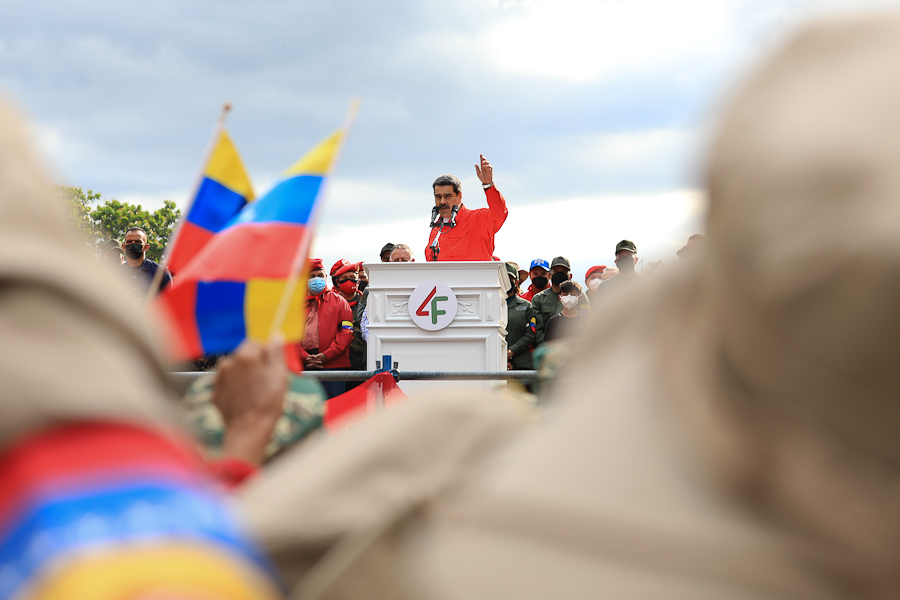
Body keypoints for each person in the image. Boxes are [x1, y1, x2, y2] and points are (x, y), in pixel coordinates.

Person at [239, 15, 900, 598]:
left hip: (462, 314)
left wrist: (488, 186)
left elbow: (498, 216)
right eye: (439, 193)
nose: (443, 199)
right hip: (421, 324)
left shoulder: (473, 217)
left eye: (448, 192)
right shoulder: (431, 230)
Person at [0, 96, 282, 599]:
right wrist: (242, 447)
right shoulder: (105, 274)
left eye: (136, 242)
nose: (133, 246)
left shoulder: (153, 274)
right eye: (129, 241)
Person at [289, 258, 353, 399]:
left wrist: (326, 356)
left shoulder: (340, 302)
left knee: (335, 408)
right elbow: (289, 336)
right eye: (311, 276)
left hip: (334, 365)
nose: (316, 279)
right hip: (302, 366)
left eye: (319, 275)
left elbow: (346, 333)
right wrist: (306, 357)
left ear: (325, 277)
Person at [424, 155, 508, 261]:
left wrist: (488, 185)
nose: (442, 202)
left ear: (459, 197)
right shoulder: (436, 229)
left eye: (448, 196)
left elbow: (499, 214)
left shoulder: (478, 219)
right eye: (438, 197)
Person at [531, 256, 589, 345]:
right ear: (549, 275)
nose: (560, 274)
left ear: (570, 276)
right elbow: (538, 330)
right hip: (549, 349)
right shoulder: (538, 298)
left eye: (564, 272)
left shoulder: (581, 297)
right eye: (556, 271)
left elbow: (585, 322)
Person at [330, 259, 366, 376]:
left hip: (362, 364)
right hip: (337, 364)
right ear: (338, 283)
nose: (349, 281)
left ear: (358, 281)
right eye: (345, 278)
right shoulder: (331, 304)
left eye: (352, 277)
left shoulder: (366, 303)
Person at [121, 226, 172, 296]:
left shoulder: (160, 274)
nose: (133, 244)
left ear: (146, 247)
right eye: (129, 242)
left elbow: (170, 302)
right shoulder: (115, 274)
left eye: (137, 242)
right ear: (123, 247)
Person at [503, 262, 535, 370]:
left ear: (517, 281)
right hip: (494, 362)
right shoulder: (490, 304)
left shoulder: (526, 306)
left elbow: (530, 334)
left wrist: (511, 351)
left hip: (520, 365)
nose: (507, 281)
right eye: (504, 277)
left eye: (510, 278)